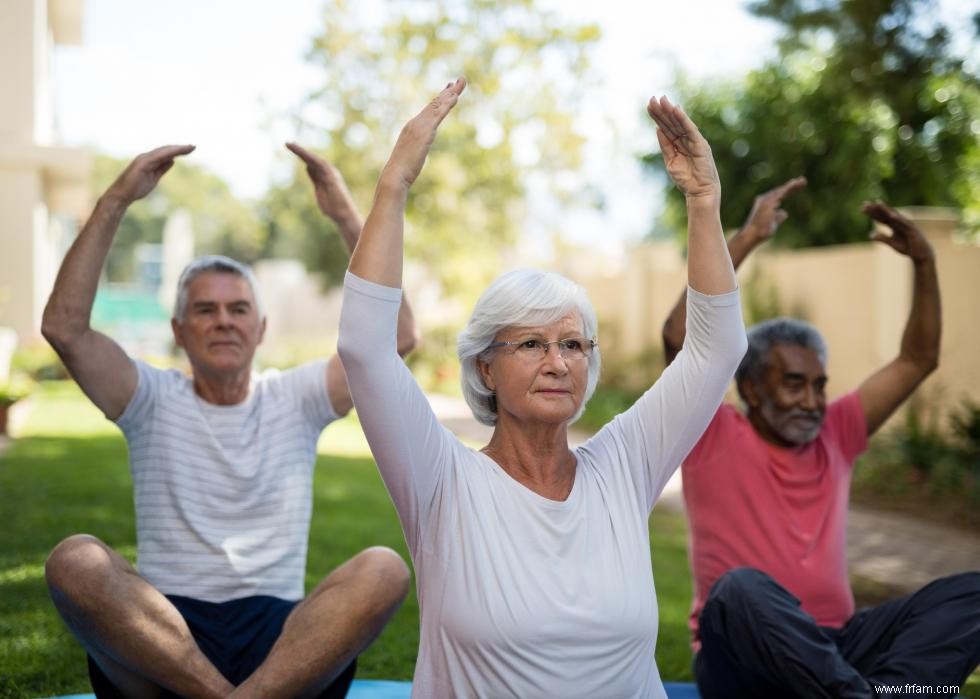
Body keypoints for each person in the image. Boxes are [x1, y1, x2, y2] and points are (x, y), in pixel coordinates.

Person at [336, 78, 746, 697]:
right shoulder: (442, 482)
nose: (558, 362)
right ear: (485, 369)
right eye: (531, 344)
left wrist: (704, 204)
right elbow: (365, 348)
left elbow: (717, 350)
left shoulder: (623, 469)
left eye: (574, 344)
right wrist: (393, 186)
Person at [41, 143, 417, 698]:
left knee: (385, 569)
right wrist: (118, 198)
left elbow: (399, 337)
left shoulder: (298, 396)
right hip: (163, 640)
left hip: (282, 644)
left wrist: (344, 214)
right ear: (178, 329)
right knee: (73, 560)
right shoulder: (148, 396)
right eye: (205, 309)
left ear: (261, 329)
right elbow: (65, 328)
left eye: (238, 309)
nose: (223, 322)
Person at [662, 178, 980, 696]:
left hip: (835, 648)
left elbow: (918, 359)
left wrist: (924, 262)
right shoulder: (710, 430)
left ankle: (887, 692)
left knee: (971, 594)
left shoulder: (837, 430)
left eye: (819, 386)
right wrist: (744, 239)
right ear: (751, 388)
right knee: (739, 589)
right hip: (741, 660)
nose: (812, 401)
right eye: (793, 384)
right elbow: (677, 338)